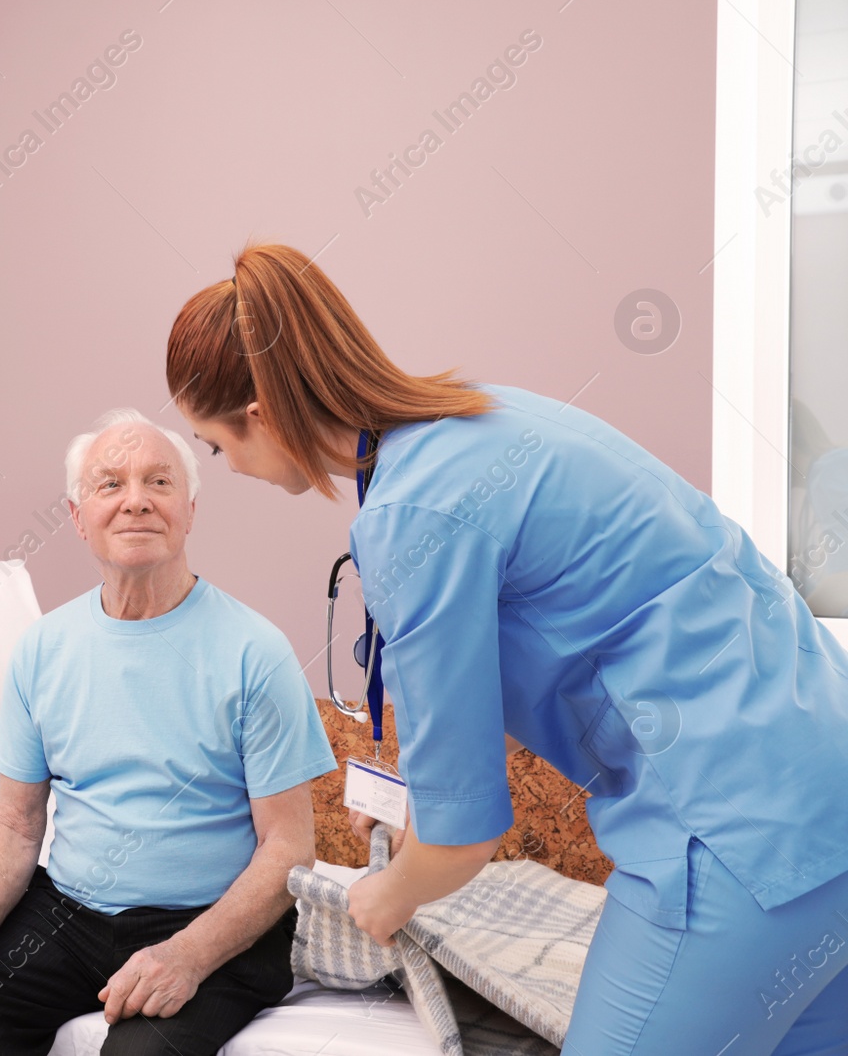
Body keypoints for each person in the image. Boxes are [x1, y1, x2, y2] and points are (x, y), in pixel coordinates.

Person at [163, 241, 848, 1055]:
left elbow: (462, 841)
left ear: (261, 416)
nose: (229, 467)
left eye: (215, 445)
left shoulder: (409, 515)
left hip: (733, 836)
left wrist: (386, 894)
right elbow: (573, 631)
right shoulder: (479, 415)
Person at [0, 408, 338, 1056]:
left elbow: (288, 847)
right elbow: (15, 822)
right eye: (110, 484)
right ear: (77, 515)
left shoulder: (255, 651)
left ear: (189, 509)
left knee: (139, 1054)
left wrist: (186, 955)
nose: (136, 501)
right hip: (67, 917)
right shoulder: (43, 648)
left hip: (205, 919)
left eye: (158, 482)